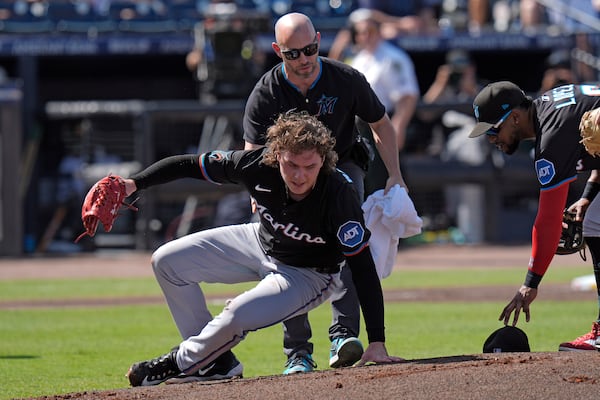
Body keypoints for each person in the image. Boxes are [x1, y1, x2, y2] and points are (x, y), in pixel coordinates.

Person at [123, 111, 404, 387]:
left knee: (236, 314)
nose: (300, 175)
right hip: (259, 242)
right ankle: (214, 362)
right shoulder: (256, 164)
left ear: (324, 161)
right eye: (291, 164)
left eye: (310, 167)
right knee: (167, 260)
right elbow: (189, 165)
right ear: (276, 154)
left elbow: (363, 268)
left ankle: (180, 362)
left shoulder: (339, 193)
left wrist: (377, 341)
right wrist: (134, 183)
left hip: (308, 275)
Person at [243, 12, 407, 374]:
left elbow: (381, 124)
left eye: (310, 49)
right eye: (293, 53)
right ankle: (298, 352)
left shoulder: (345, 79)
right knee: (288, 252)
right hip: (287, 175)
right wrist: (258, 192)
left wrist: (395, 174)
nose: (303, 59)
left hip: (341, 165)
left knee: (349, 239)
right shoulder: (266, 91)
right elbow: (252, 148)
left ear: (319, 40)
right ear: (277, 51)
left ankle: (343, 335)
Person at [468, 80, 600, 351]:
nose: (491, 139)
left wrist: (531, 283)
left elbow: (548, 220)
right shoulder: (551, 109)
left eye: (494, 130)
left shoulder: (551, 138)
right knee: (595, 221)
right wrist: (588, 194)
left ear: (515, 117)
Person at [346, 9, 420, 195]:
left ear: (379, 31)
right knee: (366, 182)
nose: (365, 36)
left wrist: (398, 127)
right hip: (360, 128)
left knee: (387, 183)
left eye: (369, 31)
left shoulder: (393, 57)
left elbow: (408, 96)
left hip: (382, 124)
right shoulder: (359, 59)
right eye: (360, 32)